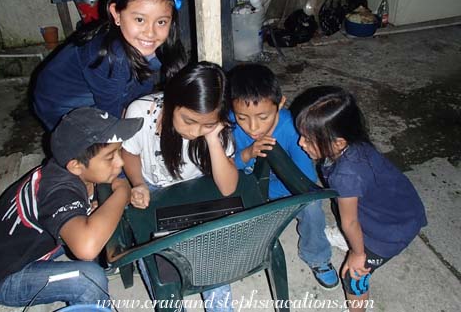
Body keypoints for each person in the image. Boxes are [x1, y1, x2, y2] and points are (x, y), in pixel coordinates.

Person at [0, 107, 143, 308]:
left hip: (30, 249)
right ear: (76, 166)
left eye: (119, 151)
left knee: (102, 219)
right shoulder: (57, 190)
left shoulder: (69, 170)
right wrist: (122, 192)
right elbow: (86, 248)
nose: (120, 162)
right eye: (110, 156)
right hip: (7, 279)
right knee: (88, 279)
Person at [295, 86, 427, 312]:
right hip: (392, 206)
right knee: (344, 208)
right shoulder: (351, 146)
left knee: (353, 275)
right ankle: (351, 239)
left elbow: (351, 222)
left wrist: (357, 254)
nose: (300, 143)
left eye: (307, 139)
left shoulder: (347, 174)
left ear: (338, 142)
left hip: (391, 229)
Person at [122, 61, 238, 311]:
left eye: (205, 124)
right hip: (153, 189)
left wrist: (213, 138)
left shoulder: (214, 128)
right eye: (188, 120)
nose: (195, 131)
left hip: (194, 192)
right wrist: (138, 183)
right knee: (155, 257)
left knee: (211, 261)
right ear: (173, 102)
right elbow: (129, 153)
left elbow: (228, 188)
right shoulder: (141, 112)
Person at [32, 0, 188, 131]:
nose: (150, 32)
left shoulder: (145, 44)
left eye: (161, 22)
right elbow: (111, 117)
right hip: (61, 107)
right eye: (140, 19)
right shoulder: (110, 57)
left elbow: (142, 84)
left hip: (103, 90)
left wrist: (155, 108)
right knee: (103, 149)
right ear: (117, 14)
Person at [227, 63, 339, 289]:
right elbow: (225, 167)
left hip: (284, 189)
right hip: (245, 184)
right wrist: (246, 154)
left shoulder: (292, 128)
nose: (253, 127)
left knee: (312, 204)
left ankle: (317, 255)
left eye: (263, 116)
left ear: (280, 104)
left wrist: (266, 195)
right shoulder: (229, 123)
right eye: (242, 117)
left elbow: (305, 181)